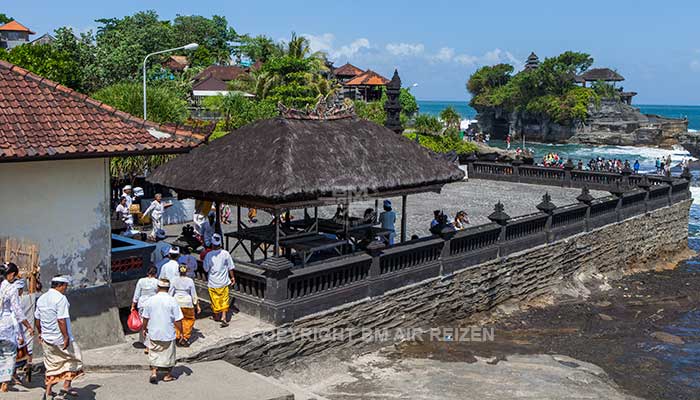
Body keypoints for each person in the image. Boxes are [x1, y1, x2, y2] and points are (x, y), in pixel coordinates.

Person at [35, 276, 83, 398]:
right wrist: (66, 337)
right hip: (60, 337)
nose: (65, 289)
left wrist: (40, 332)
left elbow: (37, 319)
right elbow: (61, 320)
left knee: (52, 365)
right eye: (65, 287)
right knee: (75, 359)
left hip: (47, 337)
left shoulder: (41, 298)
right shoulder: (61, 298)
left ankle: (49, 390)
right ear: (61, 285)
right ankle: (66, 385)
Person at [142, 279, 183, 384]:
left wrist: (144, 328)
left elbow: (145, 317)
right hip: (168, 333)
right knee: (169, 355)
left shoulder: (151, 300)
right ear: (168, 289)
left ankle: (154, 372)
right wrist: (181, 332)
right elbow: (178, 319)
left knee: (154, 353)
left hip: (154, 331)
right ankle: (167, 375)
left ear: (157, 287)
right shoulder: (172, 300)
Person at [0, 263, 33, 392]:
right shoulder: (11, 288)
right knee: (8, 354)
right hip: (7, 325)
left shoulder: (2, 285)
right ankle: (4, 383)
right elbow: (17, 311)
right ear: (12, 274)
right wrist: (28, 326)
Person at [203, 234, 236, 328]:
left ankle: (217, 316)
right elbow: (231, 267)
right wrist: (232, 277)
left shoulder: (208, 255)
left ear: (212, 244)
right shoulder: (225, 253)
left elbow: (205, 269)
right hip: (224, 281)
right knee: (224, 300)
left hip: (213, 282)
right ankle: (224, 317)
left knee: (215, 301)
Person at [169, 265, 200, 347]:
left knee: (176, 320)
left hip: (176, 302)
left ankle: (177, 335)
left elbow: (170, 293)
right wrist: (197, 305)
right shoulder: (190, 281)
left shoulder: (174, 280)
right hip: (187, 303)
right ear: (186, 271)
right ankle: (185, 337)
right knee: (188, 320)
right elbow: (194, 294)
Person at [131, 267, 159, 352]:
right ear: (156, 274)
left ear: (147, 273)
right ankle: (150, 344)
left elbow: (136, 294)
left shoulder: (141, 281)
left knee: (143, 323)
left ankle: (144, 341)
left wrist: (133, 305)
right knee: (152, 324)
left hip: (142, 304)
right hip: (153, 304)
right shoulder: (157, 282)